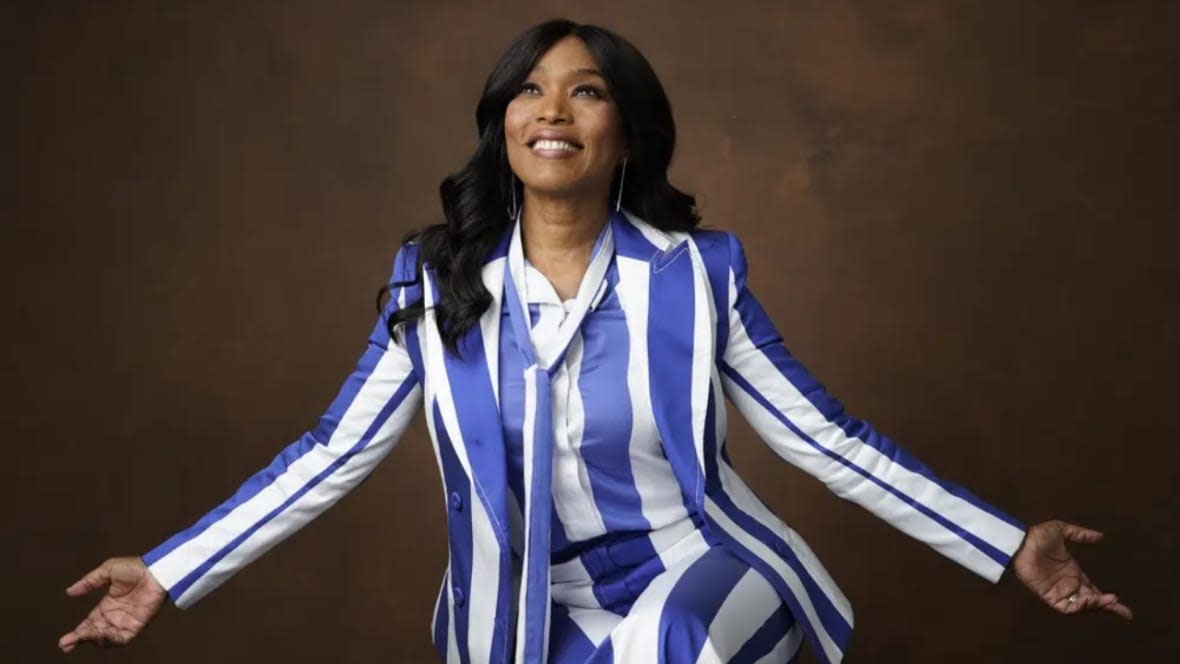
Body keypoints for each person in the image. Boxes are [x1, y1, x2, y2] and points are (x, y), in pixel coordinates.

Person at [58, 18, 1132, 664]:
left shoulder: (698, 274)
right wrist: (167, 571)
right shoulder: (432, 282)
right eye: (528, 88)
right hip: (519, 607)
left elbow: (828, 441)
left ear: (625, 130)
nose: (552, 107)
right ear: (503, 126)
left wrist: (1004, 544)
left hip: (701, 571)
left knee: (674, 647)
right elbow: (332, 451)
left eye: (586, 89)